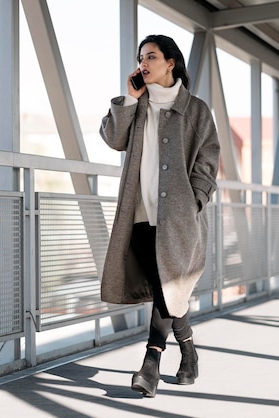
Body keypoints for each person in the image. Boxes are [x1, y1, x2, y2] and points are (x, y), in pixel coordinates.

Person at [99, 34, 220, 398]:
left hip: (179, 219)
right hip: (139, 213)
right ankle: (189, 352)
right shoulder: (138, 105)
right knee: (167, 287)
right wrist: (127, 100)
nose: (143, 64)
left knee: (168, 286)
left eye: (151, 56)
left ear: (171, 62)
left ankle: (151, 362)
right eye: (141, 58)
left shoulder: (195, 110)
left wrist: (196, 199)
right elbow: (111, 138)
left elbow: (208, 160)